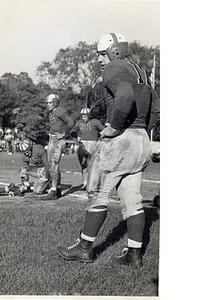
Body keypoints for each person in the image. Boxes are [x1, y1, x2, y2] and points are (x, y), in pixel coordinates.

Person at [56, 33, 160, 267]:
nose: (100, 60)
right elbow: (156, 110)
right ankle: (134, 254)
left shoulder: (115, 68)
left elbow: (124, 97)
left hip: (122, 139)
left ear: (113, 51)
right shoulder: (142, 71)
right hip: (142, 139)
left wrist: (114, 127)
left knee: (97, 194)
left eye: (102, 54)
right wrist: (141, 131)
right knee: (133, 200)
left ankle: (84, 248)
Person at [44, 94, 74, 200]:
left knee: (53, 165)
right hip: (52, 139)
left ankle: (53, 190)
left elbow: (71, 122)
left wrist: (63, 134)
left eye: (50, 102)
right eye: (47, 102)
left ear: (55, 102)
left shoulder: (60, 111)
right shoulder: (53, 112)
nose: (48, 104)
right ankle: (57, 189)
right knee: (53, 165)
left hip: (57, 141)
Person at [70, 107, 105, 190]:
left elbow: (103, 130)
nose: (84, 118)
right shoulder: (79, 123)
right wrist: (74, 134)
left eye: (85, 116)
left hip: (93, 144)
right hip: (82, 144)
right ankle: (85, 183)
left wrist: (101, 140)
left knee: (93, 165)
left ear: (89, 116)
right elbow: (73, 130)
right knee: (83, 165)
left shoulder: (95, 122)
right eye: (82, 116)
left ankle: (94, 183)